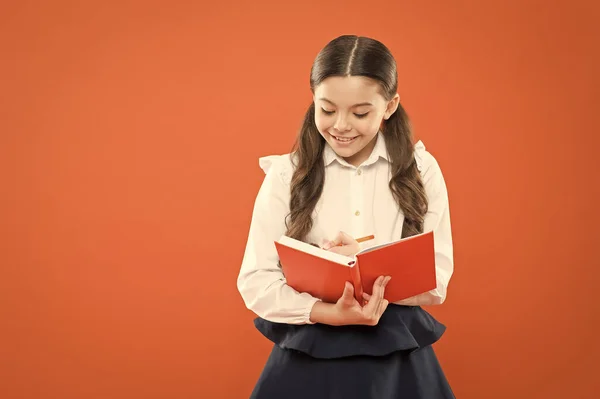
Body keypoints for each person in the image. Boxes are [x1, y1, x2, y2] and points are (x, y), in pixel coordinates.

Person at [237, 34, 455, 398]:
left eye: (360, 113)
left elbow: (436, 281)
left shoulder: (421, 170)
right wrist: (326, 311)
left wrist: (365, 265)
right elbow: (256, 283)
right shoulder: (286, 174)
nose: (340, 125)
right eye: (327, 109)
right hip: (310, 352)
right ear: (313, 100)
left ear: (389, 106)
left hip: (396, 359)